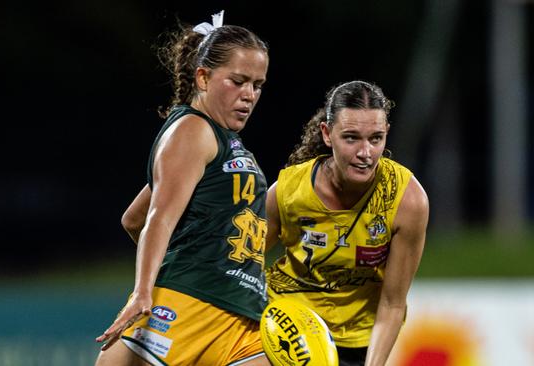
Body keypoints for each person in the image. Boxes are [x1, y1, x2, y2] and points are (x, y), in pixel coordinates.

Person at [95, 10, 272, 366]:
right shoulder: (192, 130)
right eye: (238, 81)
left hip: (239, 315)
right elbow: (157, 217)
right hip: (185, 308)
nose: (249, 94)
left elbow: (134, 217)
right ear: (203, 77)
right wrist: (144, 290)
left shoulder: (221, 139)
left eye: (257, 84)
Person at [264, 80, 429, 366]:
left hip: (357, 341)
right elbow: (243, 264)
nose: (365, 153)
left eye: (376, 138)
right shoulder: (287, 191)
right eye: (351, 138)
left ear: (386, 134)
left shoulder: (407, 200)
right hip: (286, 326)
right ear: (327, 134)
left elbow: (392, 304)